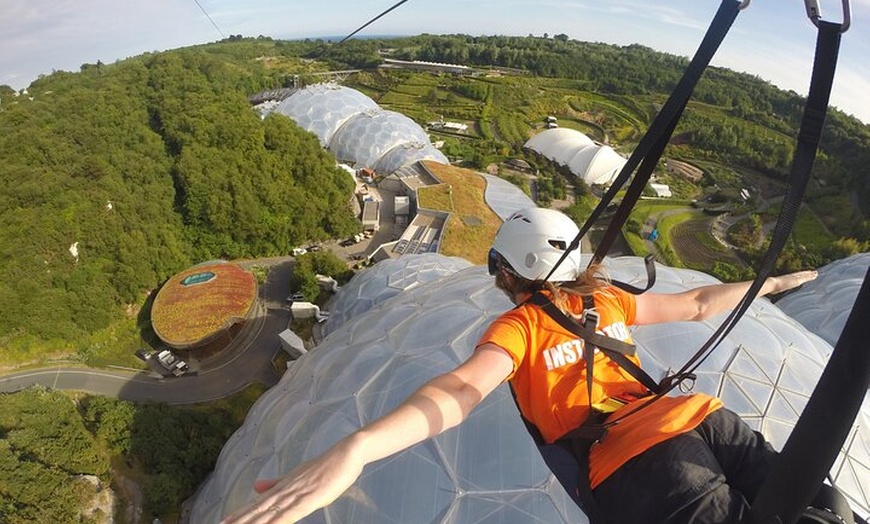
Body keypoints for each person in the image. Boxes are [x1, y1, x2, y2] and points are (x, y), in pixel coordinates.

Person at [221, 207, 818, 524]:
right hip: (711, 421)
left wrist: (357, 449)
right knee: (823, 508)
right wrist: (773, 283)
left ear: (509, 273)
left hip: (645, 466)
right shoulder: (604, 299)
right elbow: (697, 303)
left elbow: (459, 390)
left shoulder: (517, 327)